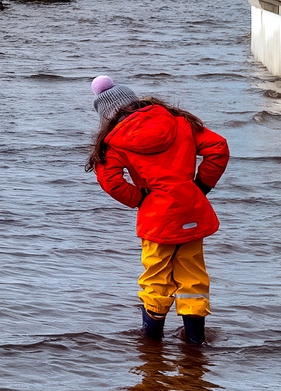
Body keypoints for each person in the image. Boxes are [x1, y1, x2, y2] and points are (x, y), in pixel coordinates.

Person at [85, 76, 229, 344]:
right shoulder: (179, 121)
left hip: (157, 219)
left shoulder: (114, 141)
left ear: (106, 115)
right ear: (135, 101)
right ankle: (195, 344)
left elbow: (111, 181)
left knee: (155, 279)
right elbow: (218, 147)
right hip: (191, 211)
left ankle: (152, 345)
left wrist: (139, 199)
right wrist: (200, 186)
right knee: (193, 278)